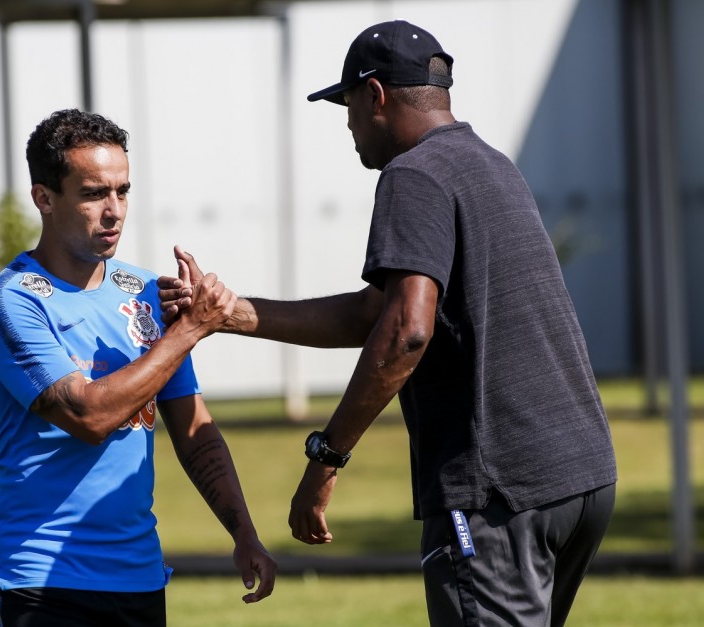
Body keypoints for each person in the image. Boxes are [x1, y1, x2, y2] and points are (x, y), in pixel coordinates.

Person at [159, 20, 616, 627]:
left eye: (346, 104)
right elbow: (375, 311)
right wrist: (231, 314)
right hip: (578, 478)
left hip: (497, 490)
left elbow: (406, 330)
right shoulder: (490, 165)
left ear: (374, 95)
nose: (347, 125)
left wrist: (326, 458)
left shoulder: (414, 173)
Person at [0, 108, 275, 627]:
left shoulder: (147, 295)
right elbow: (88, 417)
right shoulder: (11, 302)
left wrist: (243, 531)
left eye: (123, 191)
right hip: (43, 574)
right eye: (93, 194)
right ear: (44, 198)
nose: (114, 210)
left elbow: (194, 429)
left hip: (138, 575)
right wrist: (189, 330)